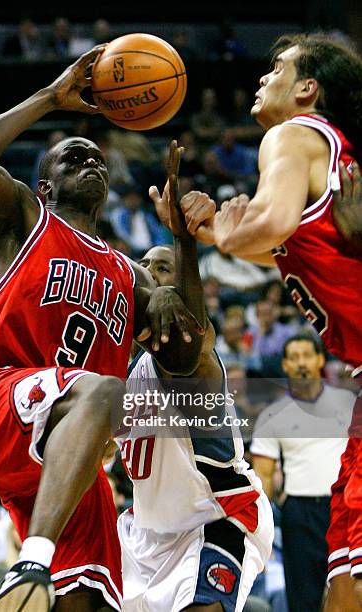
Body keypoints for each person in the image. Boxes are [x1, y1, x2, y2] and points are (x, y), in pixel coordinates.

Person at [0, 46, 206, 612]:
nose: (89, 161)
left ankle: (38, 578)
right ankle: (30, 562)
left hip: (69, 458)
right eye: (71, 159)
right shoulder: (23, 219)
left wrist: (183, 249)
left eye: (96, 159)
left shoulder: (130, 273)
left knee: (90, 597)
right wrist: (49, 98)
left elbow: (186, 357)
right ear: (44, 186)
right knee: (102, 389)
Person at [178, 33, 362, 609]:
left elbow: (269, 222)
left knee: (347, 578)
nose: (262, 78)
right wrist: (214, 233)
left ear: (308, 88)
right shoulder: (331, 155)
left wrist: (233, 232)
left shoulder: (293, 134)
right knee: (344, 571)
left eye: (276, 68)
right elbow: (279, 243)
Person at [116, 212, 274, 610]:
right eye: (143, 267)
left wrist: (183, 238)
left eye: (162, 268)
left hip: (217, 516)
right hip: (148, 530)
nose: (148, 274)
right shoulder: (121, 370)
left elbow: (194, 338)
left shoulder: (188, 356)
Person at [250, 334, 354, 612]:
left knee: (350, 593)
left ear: (320, 359)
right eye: (294, 358)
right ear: (284, 365)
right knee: (303, 599)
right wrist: (261, 530)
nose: (301, 364)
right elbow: (263, 480)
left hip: (345, 508)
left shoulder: (348, 402)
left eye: (307, 355)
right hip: (300, 514)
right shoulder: (272, 416)